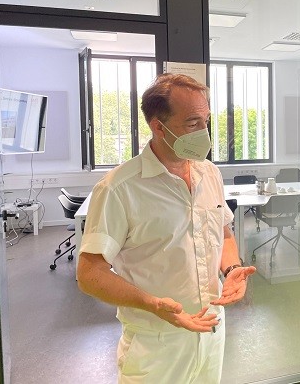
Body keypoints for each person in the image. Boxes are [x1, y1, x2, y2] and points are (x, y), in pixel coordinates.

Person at [77, 73, 256, 383]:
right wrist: (153, 304)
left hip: (211, 330)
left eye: (206, 121)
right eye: (192, 123)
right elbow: (89, 274)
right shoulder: (119, 188)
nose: (204, 132)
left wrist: (231, 269)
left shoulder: (209, 174)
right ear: (158, 127)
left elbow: (223, 232)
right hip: (157, 342)